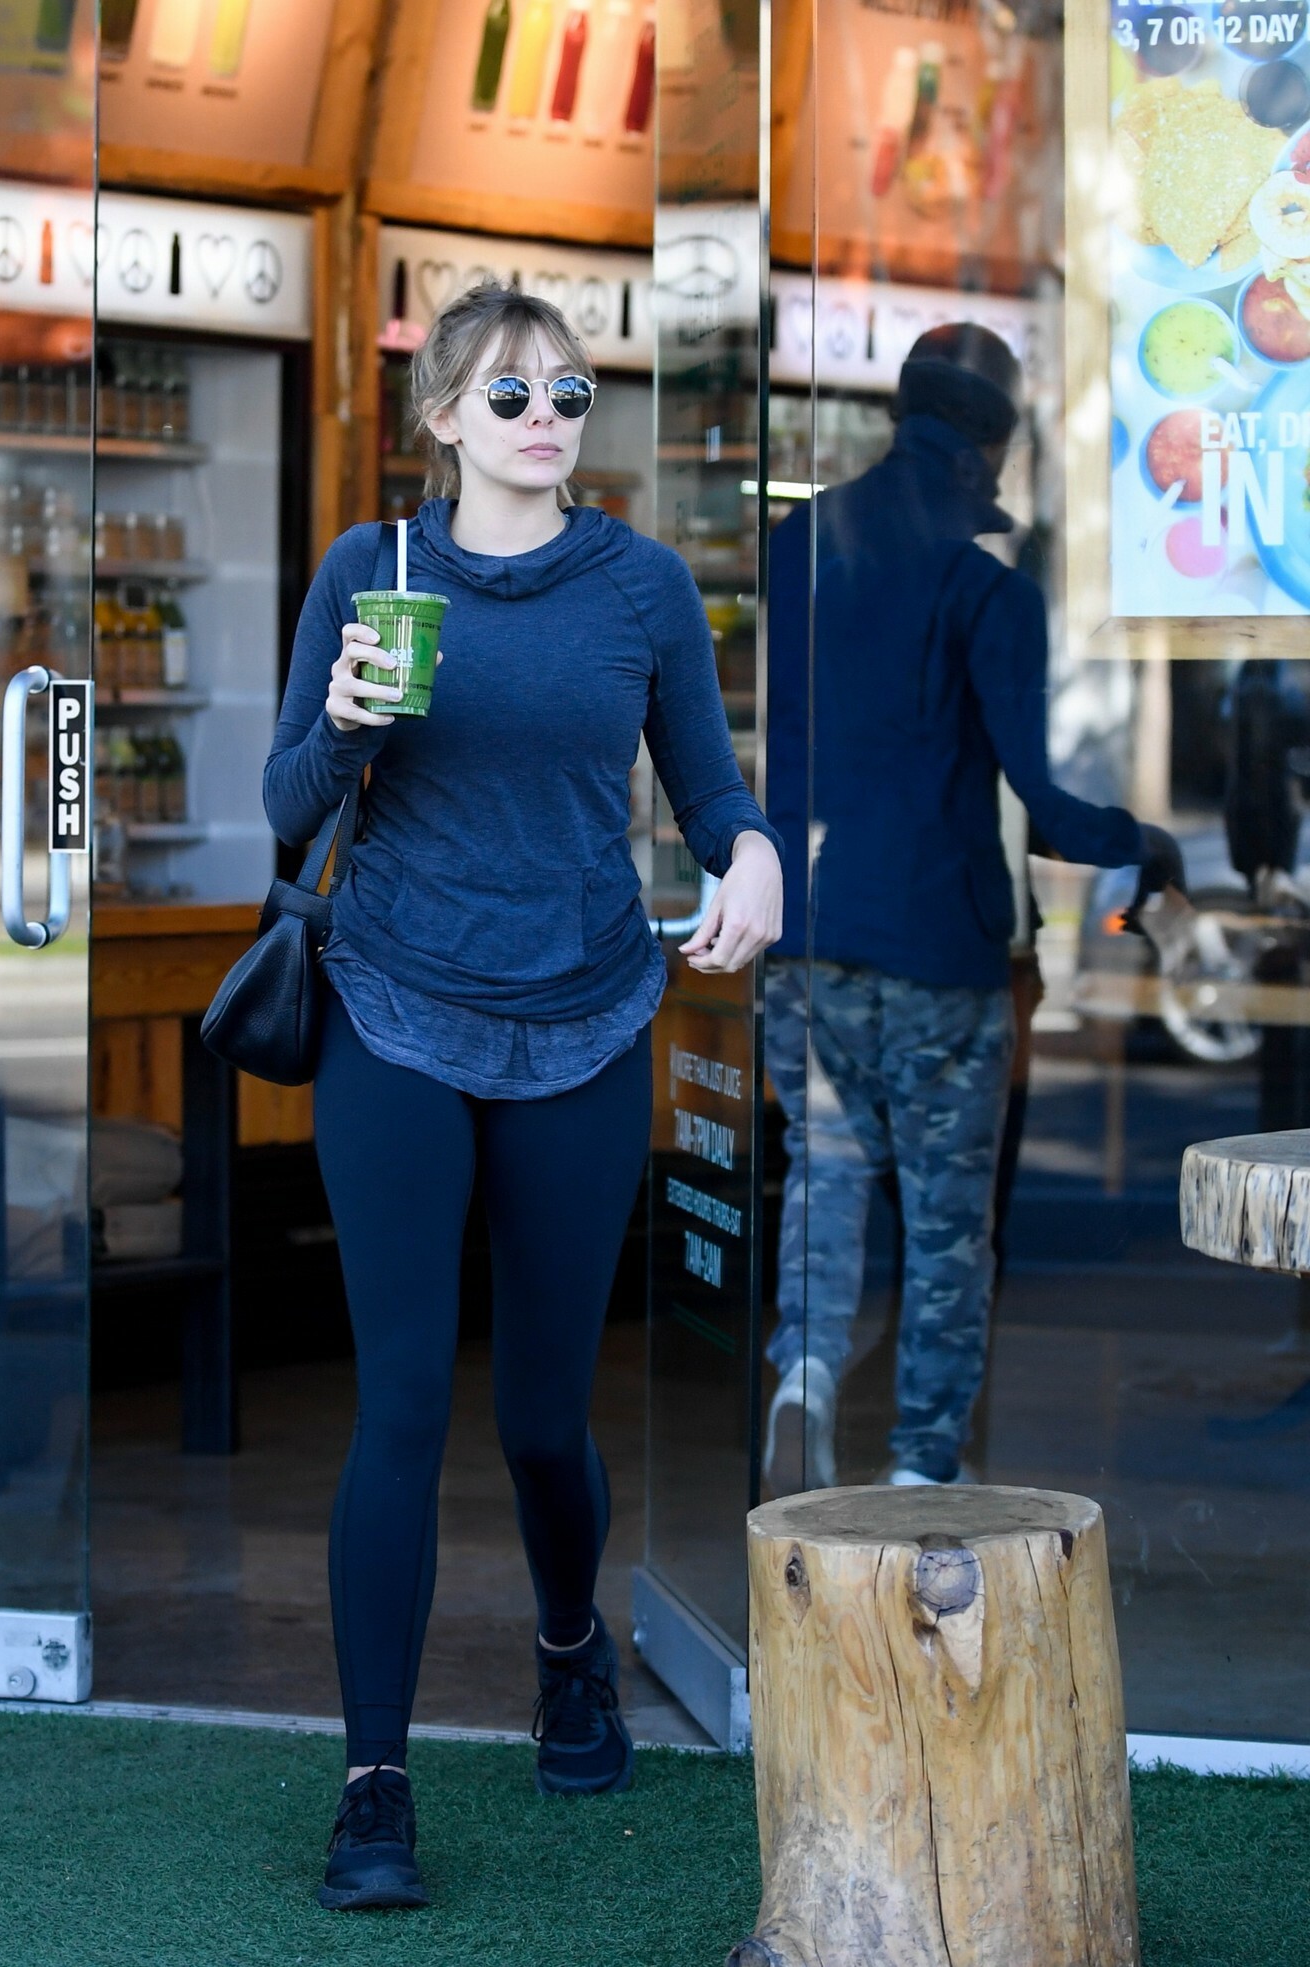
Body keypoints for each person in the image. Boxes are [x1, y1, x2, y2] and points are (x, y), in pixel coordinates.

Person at [263, 283, 784, 1912]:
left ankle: (571, 1653)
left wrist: (755, 854)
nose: (546, 417)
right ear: (443, 419)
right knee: (405, 1404)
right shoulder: (370, 572)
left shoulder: (641, 584)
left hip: (583, 1016)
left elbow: (708, 788)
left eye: (567, 392)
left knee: (545, 1413)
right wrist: (345, 723)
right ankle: (374, 1782)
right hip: (395, 1010)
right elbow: (284, 801)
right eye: (509, 396)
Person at [762, 322, 1183, 1492]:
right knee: (947, 1225)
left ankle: (804, 1372)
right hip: (937, 948)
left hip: (805, 928)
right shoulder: (989, 592)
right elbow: (1040, 801)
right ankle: (920, 1463)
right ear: (987, 446)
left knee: (823, 1169)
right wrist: (1140, 843)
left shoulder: (797, 543)